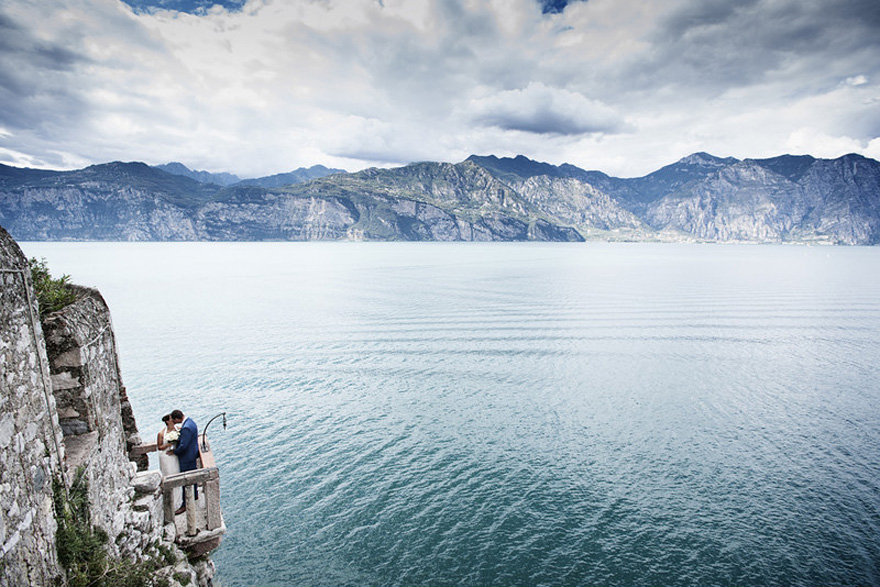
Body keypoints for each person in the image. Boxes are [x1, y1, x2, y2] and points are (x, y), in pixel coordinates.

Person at [168, 409, 199, 515]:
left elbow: (183, 446)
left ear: (177, 418)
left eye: (174, 420)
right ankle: (195, 495)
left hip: (187, 457)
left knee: (186, 480)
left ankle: (185, 505)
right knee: (193, 477)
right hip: (193, 454)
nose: (174, 422)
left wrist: (174, 451)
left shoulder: (186, 428)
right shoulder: (191, 422)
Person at [157, 414, 181, 508]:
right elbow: (159, 447)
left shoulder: (178, 429)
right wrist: (169, 444)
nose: (174, 420)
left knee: (177, 474)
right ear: (167, 421)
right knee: (168, 475)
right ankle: (170, 502)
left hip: (174, 455)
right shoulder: (161, 433)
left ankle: (178, 501)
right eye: (172, 419)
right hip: (166, 456)